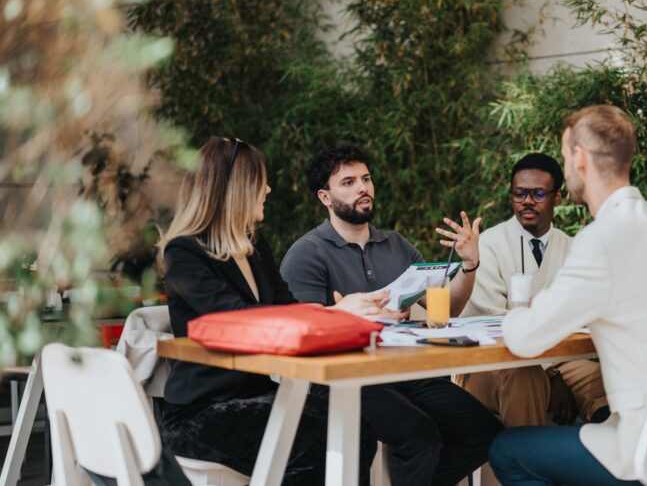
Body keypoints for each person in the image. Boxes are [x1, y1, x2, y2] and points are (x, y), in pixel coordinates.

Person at [489, 105, 647, 485]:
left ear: (579, 159)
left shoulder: (600, 240)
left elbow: (524, 337)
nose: (565, 169)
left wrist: (518, 306)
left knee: (508, 451)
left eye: (565, 158)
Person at [157, 138, 382, 484]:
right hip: (201, 411)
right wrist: (337, 314)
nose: (268, 189)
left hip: (260, 396)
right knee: (319, 447)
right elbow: (240, 319)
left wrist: (334, 314)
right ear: (235, 189)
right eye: (260, 181)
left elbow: (288, 308)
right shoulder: (183, 253)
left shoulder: (255, 246)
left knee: (358, 433)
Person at [279, 142, 503, 486]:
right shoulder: (306, 254)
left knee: (483, 431)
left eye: (366, 179)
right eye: (349, 182)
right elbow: (302, 331)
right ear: (325, 197)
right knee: (419, 436)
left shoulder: (397, 245)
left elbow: (448, 308)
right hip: (343, 379)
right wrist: (353, 316)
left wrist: (470, 264)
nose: (363, 188)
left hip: (404, 370)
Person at [456, 153, 609, 428]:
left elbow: (581, 317)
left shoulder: (572, 248)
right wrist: (548, 372)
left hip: (558, 358)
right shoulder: (487, 246)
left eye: (538, 194)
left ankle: (610, 460)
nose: (527, 201)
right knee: (527, 376)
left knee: (606, 380)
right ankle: (526, 466)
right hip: (490, 363)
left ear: (557, 198)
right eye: (519, 194)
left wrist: (552, 366)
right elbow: (497, 325)